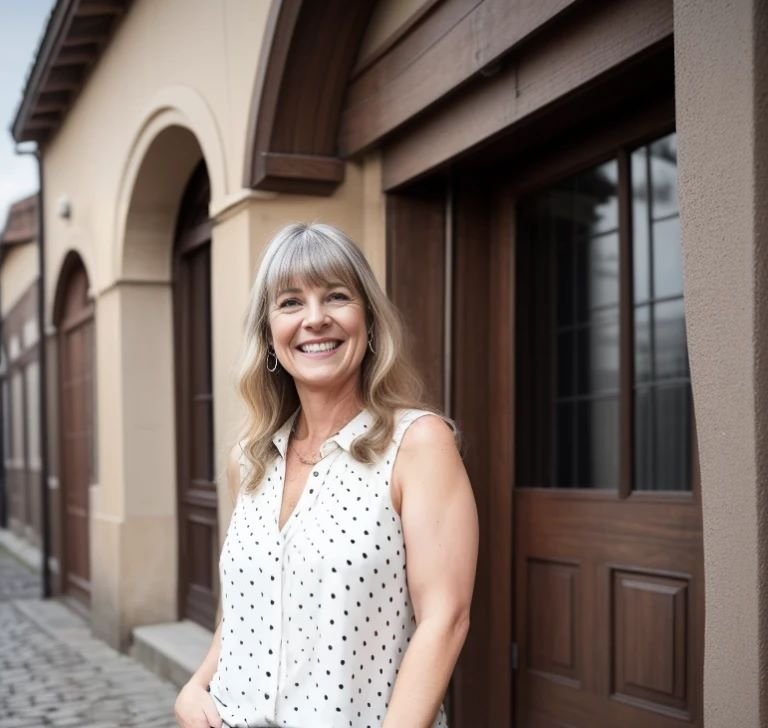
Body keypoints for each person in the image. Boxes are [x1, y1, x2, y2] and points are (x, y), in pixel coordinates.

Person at [174, 223, 478, 728]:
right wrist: (196, 685)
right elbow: (250, 604)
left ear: (369, 321)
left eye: (336, 296)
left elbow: (444, 620)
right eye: (291, 302)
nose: (315, 319)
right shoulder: (248, 460)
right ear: (268, 333)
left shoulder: (418, 444)